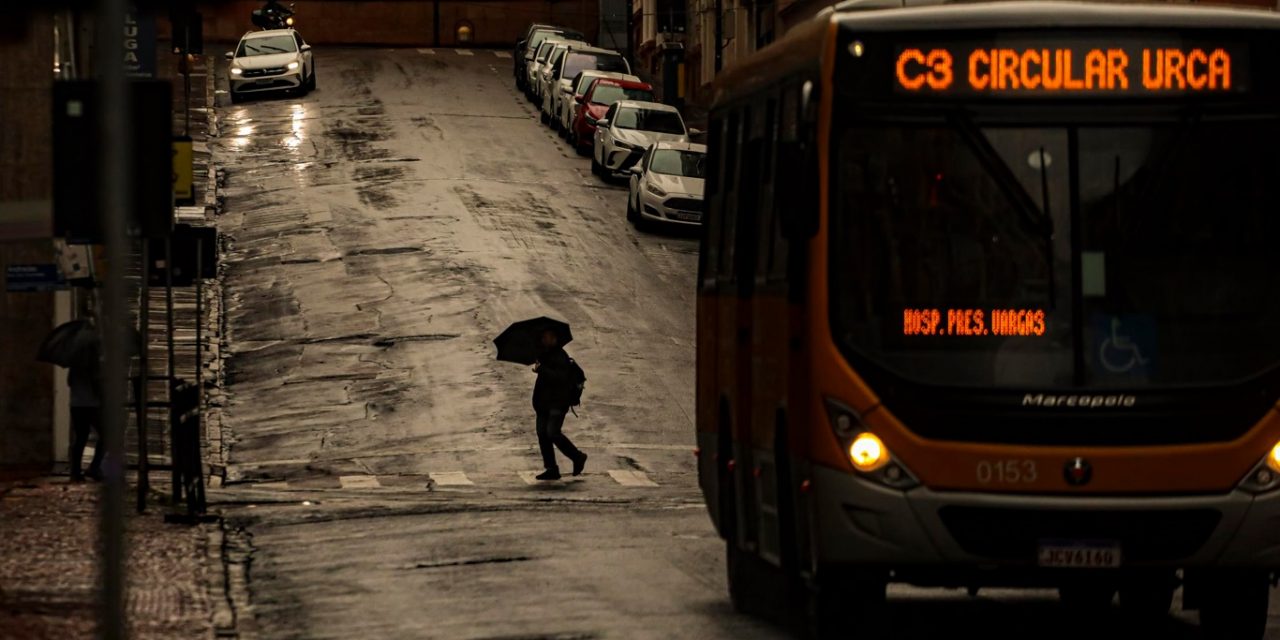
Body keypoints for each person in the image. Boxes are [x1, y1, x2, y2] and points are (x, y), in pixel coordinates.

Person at [532, 329, 587, 480]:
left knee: (552, 432)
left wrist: (541, 369)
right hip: (543, 403)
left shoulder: (560, 356)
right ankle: (551, 468)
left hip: (558, 402)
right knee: (542, 434)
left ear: (555, 338)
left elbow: (560, 378)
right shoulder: (543, 354)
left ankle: (577, 457)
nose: (544, 339)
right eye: (543, 337)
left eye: (547, 336)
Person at [67, 337, 104, 482]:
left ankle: (76, 471)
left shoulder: (74, 364)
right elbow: (97, 386)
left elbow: (70, 383)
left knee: (81, 437)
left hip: (76, 405)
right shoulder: (93, 364)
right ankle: (94, 467)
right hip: (91, 405)